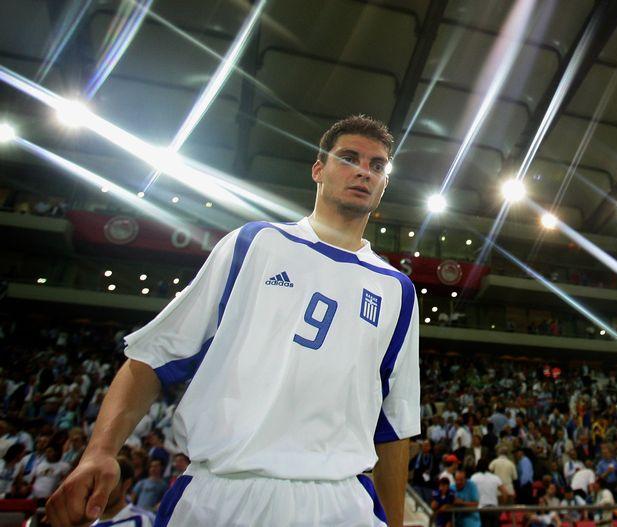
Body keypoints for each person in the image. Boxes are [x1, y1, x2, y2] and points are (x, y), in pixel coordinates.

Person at [46, 115, 420, 527]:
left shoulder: (396, 289)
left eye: (377, 166)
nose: (364, 171)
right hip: (224, 492)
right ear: (318, 169)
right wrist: (99, 452)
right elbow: (152, 357)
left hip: (340, 502)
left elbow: (394, 424)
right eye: (349, 158)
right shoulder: (255, 242)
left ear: (384, 183)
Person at [93, 458, 154, 527]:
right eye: (97, 483)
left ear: (126, 484)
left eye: (108, 484)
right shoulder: (87, 522)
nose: (100, 490)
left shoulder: (142, 520)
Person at [470, 458, 511, 527]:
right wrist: (502, 506)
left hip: (480, 509)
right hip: (493, 508)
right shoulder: (495, 477)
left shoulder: (474, 478)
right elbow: (505, 492)